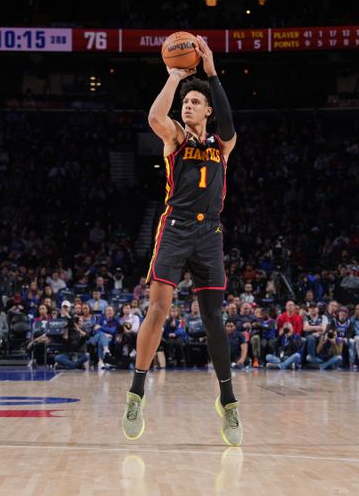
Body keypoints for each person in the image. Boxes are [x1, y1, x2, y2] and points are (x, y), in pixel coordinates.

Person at [122, 36, 243, 446]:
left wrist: (210, 74)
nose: (188, 105)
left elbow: (229, 125)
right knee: (157, 310)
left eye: (196, 102)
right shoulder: (175, 136)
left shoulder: (222, 144)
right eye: (186, 102)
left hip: (209, 231)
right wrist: (175, 77)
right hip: (174, 228)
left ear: (208, 109)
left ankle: (227, 402)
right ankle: (136, 394)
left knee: (214, 319)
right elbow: (155, 115)